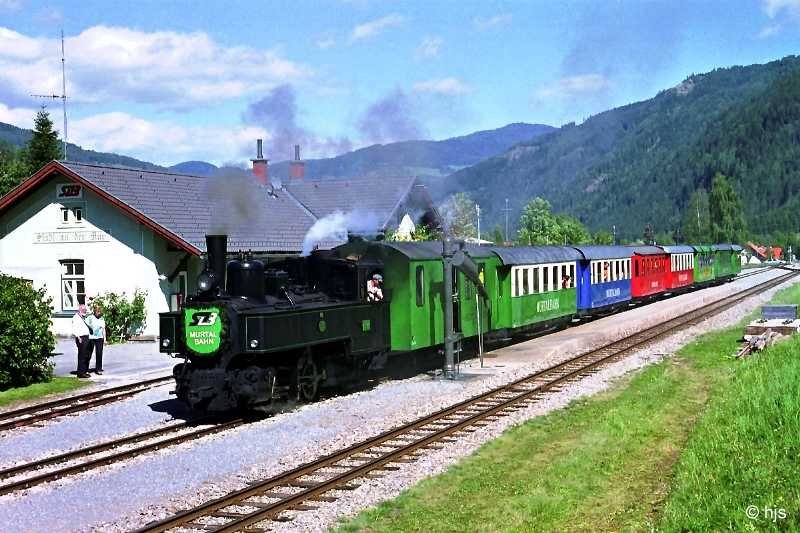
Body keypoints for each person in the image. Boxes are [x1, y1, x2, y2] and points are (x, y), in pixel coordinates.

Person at [71, 304, 91, 378]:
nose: (85, 310)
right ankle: (81, 373)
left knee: (86, 355)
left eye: (85, 309)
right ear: (79, 310)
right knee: (82, 355)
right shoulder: (76, 318)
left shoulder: (83, 317)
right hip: (81, 338)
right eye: (83, 309)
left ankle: (84, 371)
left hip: (86, 337)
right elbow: (74, 329)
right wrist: (78, 337)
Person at [86, 304, 106, 375]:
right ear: (94, 311)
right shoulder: (90, 318)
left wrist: (105, 339)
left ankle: (98, 369)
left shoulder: (101, 318)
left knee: (99, 353)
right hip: (91, 337)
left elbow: (103, 329)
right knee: (88, 353)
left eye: (100, 312)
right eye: (97, 312)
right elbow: (86, 325)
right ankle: (85, 368)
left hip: (99, 337)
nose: (99, 313)